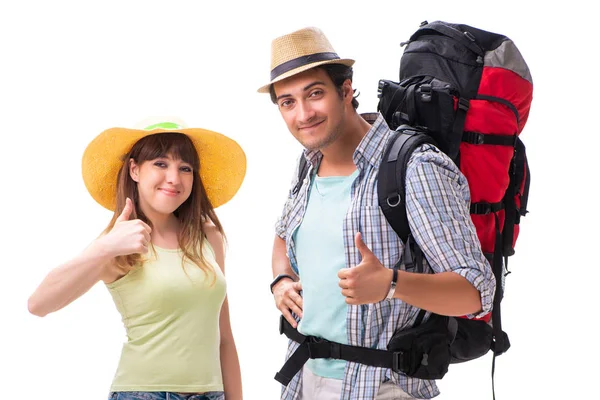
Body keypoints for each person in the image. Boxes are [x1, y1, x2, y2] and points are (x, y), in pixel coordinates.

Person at [258, 27, 496, 400]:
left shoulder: (414, 167)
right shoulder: (308, 165)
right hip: (303, 379)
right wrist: (282, 280)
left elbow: (476, 292)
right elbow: (283, 237)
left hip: (380, 387)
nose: (303, 114)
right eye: (287, 102)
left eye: (314, 94)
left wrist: (391, 283)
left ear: (346, 90)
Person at [27, 118, 246, 400]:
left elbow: (224, 337)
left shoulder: (207, 236)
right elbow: (39, 304)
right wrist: (105, 247)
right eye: (160, 163)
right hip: (145, 394)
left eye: (185, 168)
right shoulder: (118, 243)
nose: (174, 178)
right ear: (134, 169)